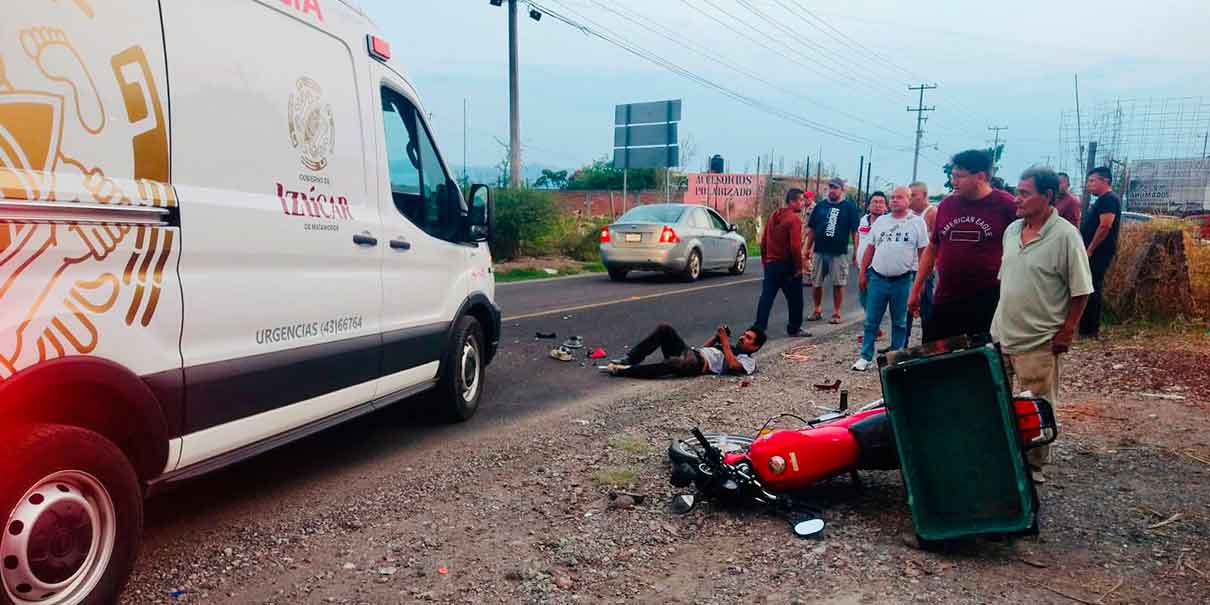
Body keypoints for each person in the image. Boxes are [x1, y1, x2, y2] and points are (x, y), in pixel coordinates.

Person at [991, 167, 1093, 483]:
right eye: (1017, 192)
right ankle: (1005, 455)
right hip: (1001, 333)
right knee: (998, 400)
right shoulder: (1011, 231)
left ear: (1047, 196)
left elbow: (1081, 290)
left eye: (1024, 193)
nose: (1017, 199)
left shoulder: (1065, 235)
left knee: (1037, 404)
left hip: (1040, 338)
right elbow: (1007, 281)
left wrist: (1067, 330)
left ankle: (1034, 464)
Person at [908, 149, 1017, 342]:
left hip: (988, 298)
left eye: (959, 176)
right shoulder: (947, 205)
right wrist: (917, 288)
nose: (953, 181)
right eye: (952, 175)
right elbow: (932, 248)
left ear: (980, 177)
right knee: (936, 353)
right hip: (946, 297)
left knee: (981, 357)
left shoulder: (1006, 205)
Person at [853, 187, 930, 371]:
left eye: (900, 197)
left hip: (903, 281)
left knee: (900, 321)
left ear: (909, 200)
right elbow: (870, 248)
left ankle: (897, 356)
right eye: (893, 197)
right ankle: (865, 357)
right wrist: (863, 272)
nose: (895, 200)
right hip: (878, 278)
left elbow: (923, 253)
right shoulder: (881, 222)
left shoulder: (917, 223)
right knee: (871, 320)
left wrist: (920, 284)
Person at [606, 323, 766, 378]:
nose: (743, 338)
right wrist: (716, 337)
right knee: (665, 329)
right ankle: (630, 359)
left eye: (748, 338)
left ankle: (625, 371)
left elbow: (732, 366)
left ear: (755, 347)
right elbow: (703, 349)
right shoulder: (730, 347)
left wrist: (724, 342)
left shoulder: (748, 361)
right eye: (744, 335)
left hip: (698, 365)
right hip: (692, 354)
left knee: (673, 363)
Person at [754, 188, 811, 337]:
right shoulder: (794, 219)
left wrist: (765, 261)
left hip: (772, 264)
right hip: (787, 265)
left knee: (766, 298)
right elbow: (795, 246)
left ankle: (759, 328)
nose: (802, 203)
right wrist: (798, 267)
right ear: (792, 202)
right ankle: (794, 328)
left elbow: (764, 241)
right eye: (800, 200)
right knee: (796, 299)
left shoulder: (774, 215)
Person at [806, 177, 861, 324]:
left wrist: (857, 251)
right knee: (816, 282)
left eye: (835, 187)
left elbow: (855, 232)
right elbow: (812, 229)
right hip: (819, 251)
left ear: (842, 190)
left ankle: (836, 313)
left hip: (838, 253)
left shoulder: (849, 208)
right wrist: (806, 248)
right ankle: (817, 309)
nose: (832, 190)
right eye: (830, 187)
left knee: (838, 283)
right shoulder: (820, 207)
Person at [1079, 166, 1122, 339]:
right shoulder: (1102, 200)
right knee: (1088, 287)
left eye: (1092, 181)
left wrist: (1090, 249)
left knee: (1092, 288)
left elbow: (1105, 226)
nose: (1088, 185)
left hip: (1098, 253)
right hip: (1092, 251)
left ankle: (1089, 330)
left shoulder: (1108, 200)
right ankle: (1085, 327)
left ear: (1105, 181)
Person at [906, 181, 938, 344]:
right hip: (908, 266)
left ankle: (928, 342)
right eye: (909, 195)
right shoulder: (909, 214)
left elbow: (937, 244)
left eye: (914, 195)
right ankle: (902, 341)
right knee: (906, 307)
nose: (910, 199)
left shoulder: (932, 214)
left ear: (924, 196)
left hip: (924, 268)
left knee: (925, 306)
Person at [857, 191, 889, 311]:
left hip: (877, 271)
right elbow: (858, 235)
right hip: (863, 268)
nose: (878, 205)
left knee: (874, 303)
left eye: (881, 202)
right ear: (869, 205)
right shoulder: (864, 219)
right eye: (875, 202)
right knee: (863, 299)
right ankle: (875, 329)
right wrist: (856, 253)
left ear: (886, 207)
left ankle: (873, 327)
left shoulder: (889, 223)